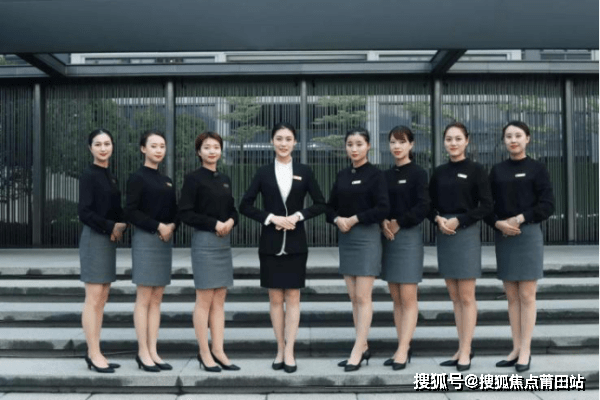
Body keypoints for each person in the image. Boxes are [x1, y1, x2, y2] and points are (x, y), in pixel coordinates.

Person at [240, 122, 326, 373]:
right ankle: (279, 348)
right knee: (275, 299)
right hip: (270, 243)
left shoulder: (304, 171)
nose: (283, 143)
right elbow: (245, 205)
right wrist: (271, 218)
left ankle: (290, 351)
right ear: (271, 141)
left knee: (294, 297)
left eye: (288, 139)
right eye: (279, 138)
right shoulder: (263, 172)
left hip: (296, 244)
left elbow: (321, 204)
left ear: (295, 142)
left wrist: (298, 216)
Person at [486, 121, 555, 373]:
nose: (513, 140)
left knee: (527, 295)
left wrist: (520, 218)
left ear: (528, 138)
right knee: (512, 297)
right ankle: (515, 348)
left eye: (518, 135)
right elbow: (487, 205)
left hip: (527, 234)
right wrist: (498, 223)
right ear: (504, 141)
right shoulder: (497, 171)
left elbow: (548, 205)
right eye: (508, 136)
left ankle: (526, 349)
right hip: (505, 235)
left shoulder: (537, 169)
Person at [428, 122, 492, 372]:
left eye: (457, 139)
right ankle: (461, 347)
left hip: (465, 233)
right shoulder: (439, 172)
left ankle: (466, 349)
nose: (453, 143)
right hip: (445, 232)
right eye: (448, 139)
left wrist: (460, 220)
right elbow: (428, 203)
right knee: (454, 297)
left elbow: (486, 205)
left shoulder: (476, 170)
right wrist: (437, 218)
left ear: (467, 140)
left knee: (466, 296)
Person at [326, 128, 389, 372]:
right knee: (353, 297)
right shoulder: (342, 175)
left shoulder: (376, 175)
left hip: (366, 238)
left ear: (368, 146)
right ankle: (363, 345)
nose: (354, 148)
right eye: (350, 144)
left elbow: (383, 208)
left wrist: (354, 218)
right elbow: (329, 207)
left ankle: (357, 349)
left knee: (363, 297)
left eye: (359, 144)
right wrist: (337, 219)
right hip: (347, 238)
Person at [179, 131, 239, 373]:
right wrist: (214, 223)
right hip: (204, 241)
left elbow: (233, 209)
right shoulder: (193, 179)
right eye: (207, 147)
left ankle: (219, 350)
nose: (212, 151)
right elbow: (185, 213)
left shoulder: (224, 179)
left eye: (216, 147)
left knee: (220, 299)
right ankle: (204, 352)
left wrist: (231, 221)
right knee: (204, 299)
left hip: (223, 243)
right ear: (199, 152)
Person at [125, 129, 177, 373]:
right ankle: (142, 352)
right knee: (144, 298)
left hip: (164, 241)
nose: (158, 150)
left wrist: (172, 226)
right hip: (146, 239)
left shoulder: (167, 180)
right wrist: (158, 226)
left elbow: (175, 210)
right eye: (153, 146)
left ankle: (154, 350)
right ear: (143, 149)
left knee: (157, 299)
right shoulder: (137, 177)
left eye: (162, 146)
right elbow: (130, 211)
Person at [380, 126, 430, 370]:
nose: (396, 146)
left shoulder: (419, 173)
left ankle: (403, 348)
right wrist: (383, 221)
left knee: (408, 296)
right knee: (396, 297)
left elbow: (423, 206)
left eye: (401, 142)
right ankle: (402, 344)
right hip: (388, 237)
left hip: (408, 237)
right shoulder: (385, 175)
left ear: (411, 144)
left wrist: (399, 222)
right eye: (392, 142)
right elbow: (379, 203)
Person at [78, 128, 127, 373]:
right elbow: (84, 212)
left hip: (108, 239)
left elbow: (116, 209)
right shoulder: (89, 175)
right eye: (98, 144)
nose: (103, 148)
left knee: (103, 297)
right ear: (90, 148)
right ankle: (93, 353)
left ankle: (97, 351)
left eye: (107, 143)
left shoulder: (110, 176)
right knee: (94, 298)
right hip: (94, 238)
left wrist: (122, 224)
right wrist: (110, 226)